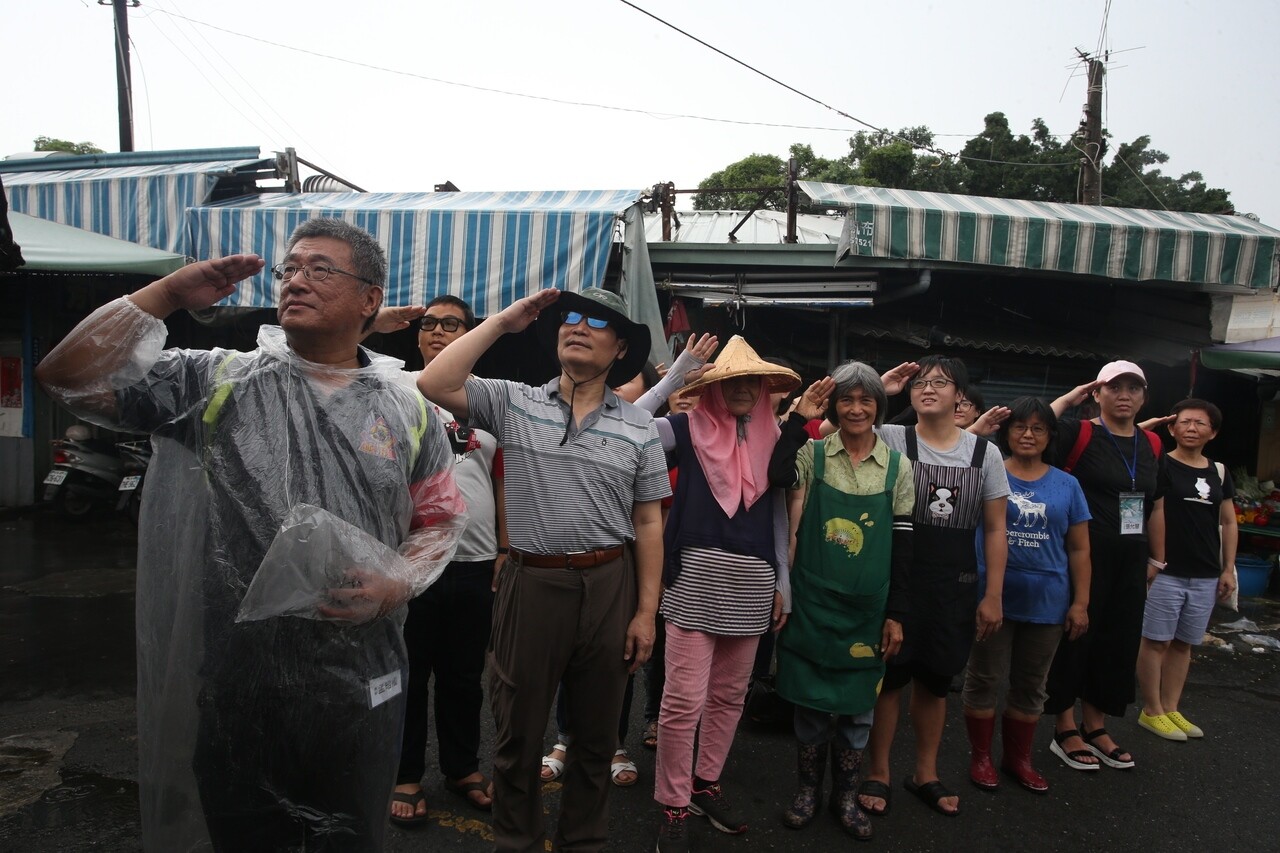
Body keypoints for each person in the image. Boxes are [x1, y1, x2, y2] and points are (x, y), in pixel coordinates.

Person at [35, 218, 466, 851]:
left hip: (357, 678)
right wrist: (163, 297)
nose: (296, 281)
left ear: (370, 299)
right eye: (291, 269)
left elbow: (441, 518)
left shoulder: (407, 409)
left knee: (347, 836)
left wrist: (397, 581)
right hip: (241, 678)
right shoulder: (217, 380)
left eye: (321, 269)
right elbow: (69, 376)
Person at [418, 286, 668, 853]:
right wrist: (504, 322)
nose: (576, 326)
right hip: (530, 581)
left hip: (610, 582)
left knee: (598, 734)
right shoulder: (514, 401)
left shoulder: (638, 427)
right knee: (519, 732)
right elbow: (435, 382)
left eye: (595, 322)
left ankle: (583, 839)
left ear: (620, 347)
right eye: (569, 318)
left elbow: (649, 523)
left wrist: (646, 613)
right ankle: (517, 840)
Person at [649, 335, 797, 851]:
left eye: (750, 380)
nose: (741, 389)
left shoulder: (778, 438)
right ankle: (672, 800)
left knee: (730, 695)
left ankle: (705, 782)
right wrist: (675, 377)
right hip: (694, 572)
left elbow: (778, 514)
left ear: (763, 388)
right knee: (682, 699)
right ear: (714, 386)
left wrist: (783, 581)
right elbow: (628, 429)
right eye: (731, 379)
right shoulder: (684, 427)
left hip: (753, 579)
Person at [857, 355, 1010, 818]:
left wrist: (992, 594)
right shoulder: (892, 438)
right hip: (898, 579)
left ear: (960, 396)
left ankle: (925, 771)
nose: (927, 389)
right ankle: (878, 771)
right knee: (891, 679)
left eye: (940, 383)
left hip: (955, 584)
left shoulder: (985, 453)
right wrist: (880, 390)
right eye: (921, 382)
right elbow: (828, 436)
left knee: (937, 682)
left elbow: (996, 529)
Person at [767, 361, 915, 840]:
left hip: (868, 611)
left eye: (865, 400)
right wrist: (797, 419)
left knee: (857, 711)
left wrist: (897, 614)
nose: (855, 409)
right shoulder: (813, 455)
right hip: (812, 601)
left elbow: (907, 547)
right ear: (833, 406)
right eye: (846, 400)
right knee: (810, 708)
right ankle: (807, 791)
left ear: (879, 407)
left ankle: (846, 795)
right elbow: (775, 473)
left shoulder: (898, 466)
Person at [373, 295, 505, 826]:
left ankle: (461, 768)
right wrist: (368, 324)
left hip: (475, 564)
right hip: (410, 564)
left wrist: (504, 549)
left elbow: (502, 481)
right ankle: (405, 773)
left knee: (464, 676)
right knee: (408, 673)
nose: (438, 331)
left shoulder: (492, 399)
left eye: (453, 324)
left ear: (470, 333)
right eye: (429, 324)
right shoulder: (393, 387)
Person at [962, 397, 1091, 794]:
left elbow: (1079, 549)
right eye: (1019, 426)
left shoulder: (1067, 484)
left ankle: (1018, 758)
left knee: (1032, 685)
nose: (1028, 434)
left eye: (1038, 428)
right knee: (983, 678)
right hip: (992, 597)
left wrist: (1081, 602)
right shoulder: (986, 471)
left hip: (1048, 601)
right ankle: (980, 756)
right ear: (1006, 431)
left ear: (1050, 435)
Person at [1044, 361, 1164, 771]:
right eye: (1114, 387)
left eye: (1134, 388)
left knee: (1118, 642)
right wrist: (1067, 399)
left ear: (1144, 396)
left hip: (1132, 562)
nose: (1124, 395)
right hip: (1083, 557)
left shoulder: (1150, 444)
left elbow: (1155, 505)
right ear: (1097, 394)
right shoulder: (1080, 433)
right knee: (1076, 636)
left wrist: (1156, 559)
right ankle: (1064, 726)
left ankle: (1095, 724)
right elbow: (1032, 429)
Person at [1136, 399, 1237, 741]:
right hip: (1166, 570)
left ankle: (1171, 707)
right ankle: (1151, 710)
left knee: (1184, 644)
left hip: (1206, 572)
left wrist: (1228, 569)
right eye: (1185, 422)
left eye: (1201, 423)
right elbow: (1130, 437)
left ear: (1214, 432)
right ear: (1172, 427)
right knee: (1155, 641)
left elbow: (1228, 521)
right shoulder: (1159, 464)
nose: (1192, 428)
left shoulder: (1219, 471)